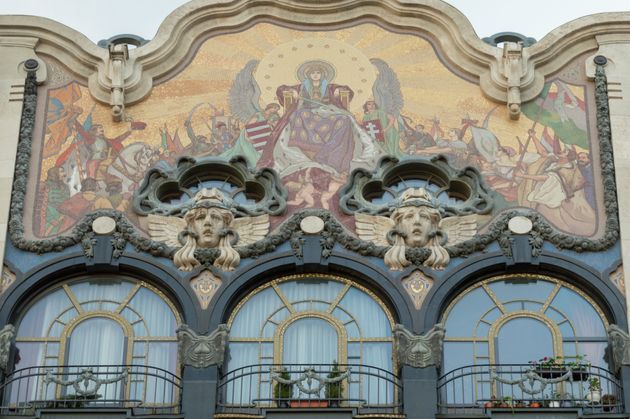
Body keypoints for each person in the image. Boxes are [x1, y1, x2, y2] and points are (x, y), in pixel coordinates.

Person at [257, 59, 379, 179]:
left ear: (322, 74)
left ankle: (330, 154)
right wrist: (292, 92)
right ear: (309, 75)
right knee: (299, 114)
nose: (315, 75)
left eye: (318, 73)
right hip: (307, 113)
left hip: (327, 113)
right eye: (313, 73)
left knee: (344, 119)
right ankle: (308, 148)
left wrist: (338, 91)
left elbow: (347, 90)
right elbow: (281, 89)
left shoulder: (329, 87)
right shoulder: (302, 87)